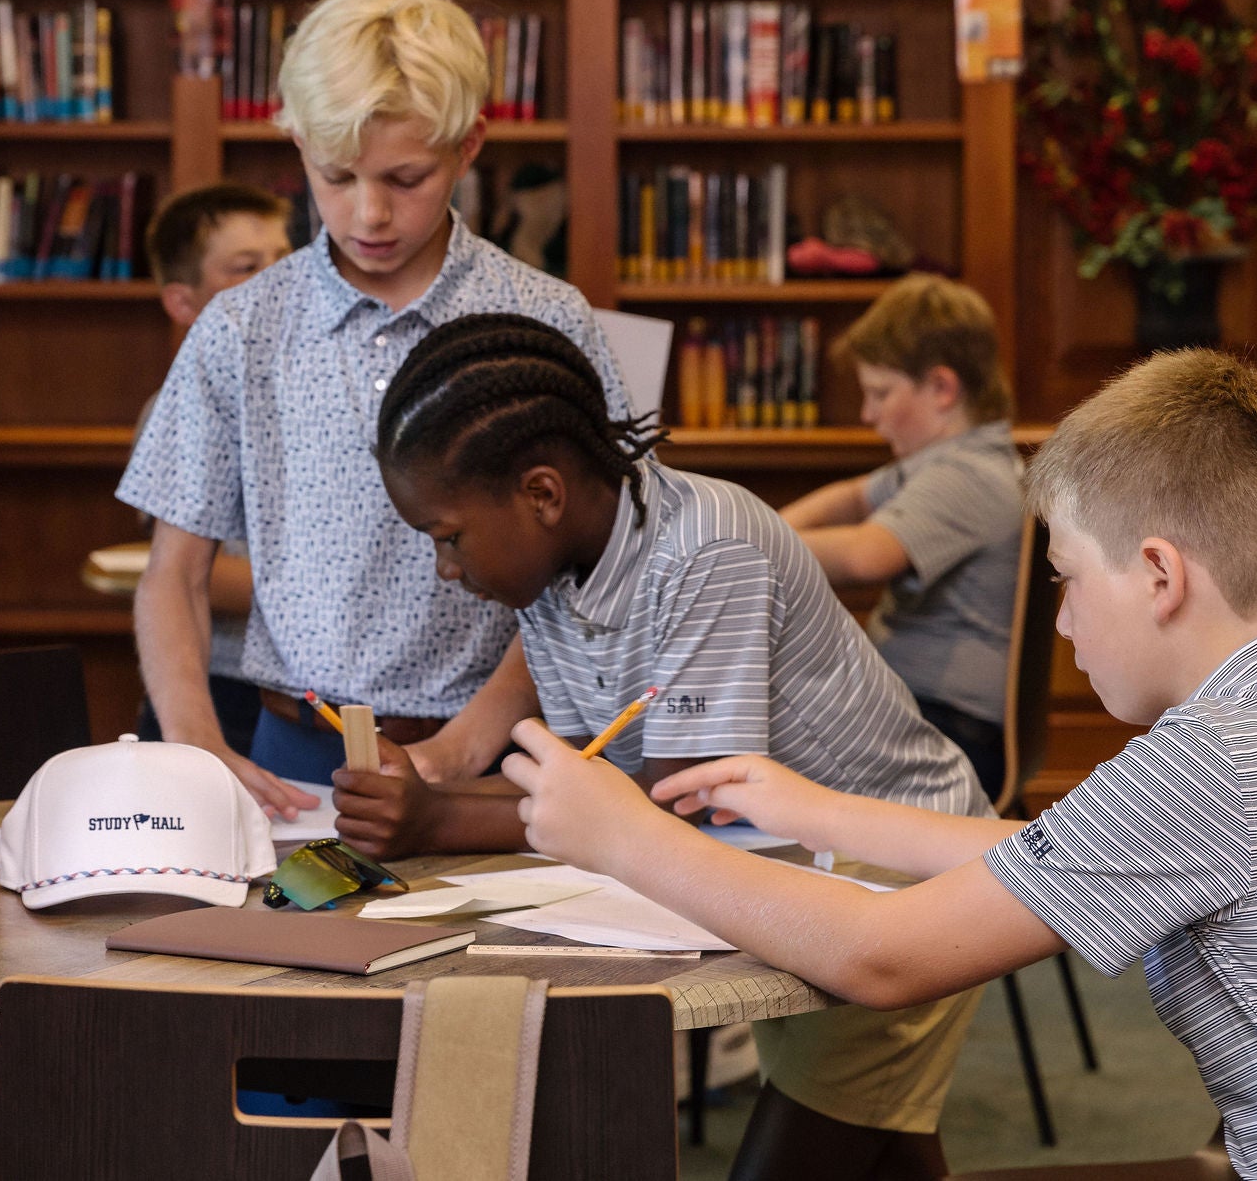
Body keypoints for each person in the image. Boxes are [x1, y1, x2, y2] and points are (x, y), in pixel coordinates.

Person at [507, 348, 1257, 1179]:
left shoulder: (1208, 762)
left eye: (1067, 580)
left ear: (1158, 574)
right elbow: (1045, 852)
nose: (1066, 623)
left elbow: (882, 956)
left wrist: (620, 836)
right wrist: (823, 812)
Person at [343, 311, 991, 1179]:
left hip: (898, 879)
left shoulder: (703, 549)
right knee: (880, 1143)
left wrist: (434, 822)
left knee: (811, 1143)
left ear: (540, 494)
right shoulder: (551, 574)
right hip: (785, 881)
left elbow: (663, 808)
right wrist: (437, 792)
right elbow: (581, 775)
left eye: (448, 536)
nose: (445, 569)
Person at [116, 0, 624, 811]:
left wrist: (463, 749)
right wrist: (197, 746)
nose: (370, 212)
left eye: (406, 177)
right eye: (337, 175)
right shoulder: (242, 327)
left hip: (494, 751)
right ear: (297, 147)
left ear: (468, 148)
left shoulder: (544, 318)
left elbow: (596, 571)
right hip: (289, 749)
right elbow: (173, 574)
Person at [780, 274, 1023, 799]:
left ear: (941, 388)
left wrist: (745, 544)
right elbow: (851, 496)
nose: (869, 415)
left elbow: (865, 556)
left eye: (880, 394)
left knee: (745, 749)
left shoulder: (969, 475)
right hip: (922, 715)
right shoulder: (941, 461)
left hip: (950, 733)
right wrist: (768, 526)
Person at [131, 182, 294, 758]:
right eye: (246, 267)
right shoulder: (179, 404)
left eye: (284, 259)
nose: (275, 280)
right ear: (183, 302)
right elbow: (192, 572)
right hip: (223, 683)